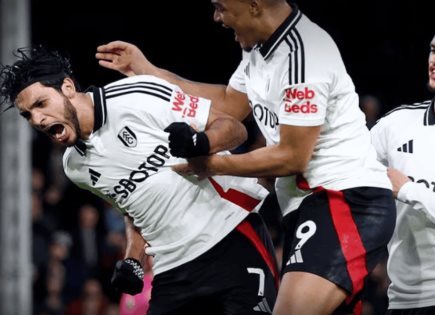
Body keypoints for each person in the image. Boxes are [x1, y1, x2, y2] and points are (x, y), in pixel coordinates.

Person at [95, 1, 396, 314]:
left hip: (344, 201)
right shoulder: (260, 50)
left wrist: (211, 165)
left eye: (221, 7)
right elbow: (229, 105)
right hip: (307, 208)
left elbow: (292, 157)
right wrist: (151, 72)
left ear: (253, 5)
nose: (217, 18)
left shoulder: (304, 56)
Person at [0, 46, 279, 315]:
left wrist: (201, 141)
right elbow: (136, 211)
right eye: (27, 115)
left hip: (230, 236)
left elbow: (234, 128)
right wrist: (133, 259)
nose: (36, 119)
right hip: (171, 270)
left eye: (41, 103)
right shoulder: (74, 167)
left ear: (68, 88)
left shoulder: (137, 94)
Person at [370, 34, 435, 315]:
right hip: (405, 299)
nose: (434, 60)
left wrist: (408, 190)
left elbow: (404, 189)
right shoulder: (395, 125)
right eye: (433, 50)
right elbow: (345, 172)